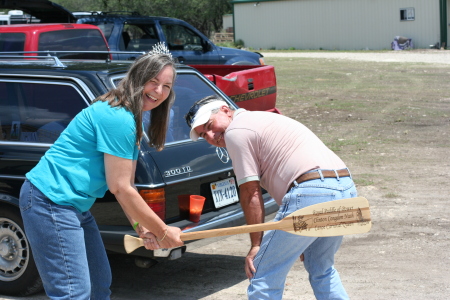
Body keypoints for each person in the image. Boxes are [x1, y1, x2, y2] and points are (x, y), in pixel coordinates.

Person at [19, 43, 184, 299]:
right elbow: (120, 187)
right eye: (154, 81)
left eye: (167, 86)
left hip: (73, 206)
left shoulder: (129, 116)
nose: (159, 91)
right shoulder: (118, 117)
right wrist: (162, 231)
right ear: (139, 78)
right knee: (74, 293)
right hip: (49, 201)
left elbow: (127, 183)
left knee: (98, 286)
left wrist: (143, 229)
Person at [185, 95, 356, 300]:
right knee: (321, 268)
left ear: (225, 110)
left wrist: (256, 245)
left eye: (210, 126)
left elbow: (250, 192)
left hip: (313, 191)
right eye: (204, 135)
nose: (212, 136)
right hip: (345, 190)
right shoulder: (262, 119)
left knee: (261, 272)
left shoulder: (236, 132)